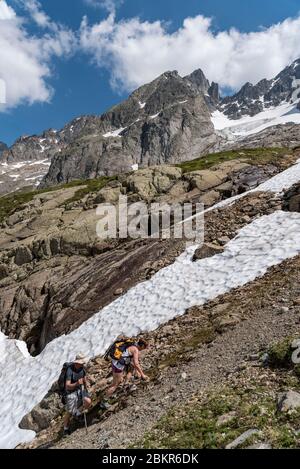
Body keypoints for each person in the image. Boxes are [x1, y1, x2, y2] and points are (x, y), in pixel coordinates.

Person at [101, 338, 149, 409]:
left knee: (118, 380)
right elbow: (136, 363)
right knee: (115, 384)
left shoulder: (132, 345)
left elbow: (132, 363)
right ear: (141, 345)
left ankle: (124, 385)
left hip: (115, 362)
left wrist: (137, 372)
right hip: (118, 365)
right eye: (144, 347)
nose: (143, 349)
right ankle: (104, 401)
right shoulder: (135, 350)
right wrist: (142, 374)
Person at [63, 353, 92, 436]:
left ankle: (78, 413)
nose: (83, 364)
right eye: (81, 363)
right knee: (69, 411)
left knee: (88, 402)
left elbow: (84, 378)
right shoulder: (70, 371)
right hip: (70, 392)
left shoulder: (82, 368)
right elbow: (67, 386)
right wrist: (76, 384)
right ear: (77, 363)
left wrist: (86, 383)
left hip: (80, 389)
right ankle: (66, 429)